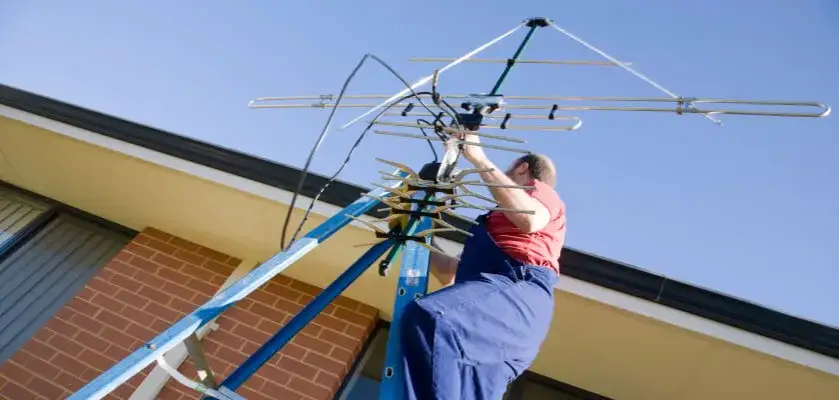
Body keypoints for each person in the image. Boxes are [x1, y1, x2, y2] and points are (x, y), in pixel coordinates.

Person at [400, 131, 567, 400]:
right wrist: (416, 239)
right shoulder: (497, 228)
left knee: (433, 317)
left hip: (519, 291)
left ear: (523, 168)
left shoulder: (538, 192)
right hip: (499, 315)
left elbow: (530, 219)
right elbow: (451, 274)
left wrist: (478, 157)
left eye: (510, 170)